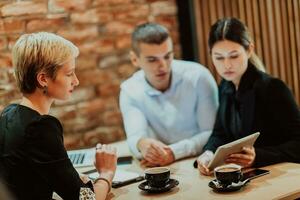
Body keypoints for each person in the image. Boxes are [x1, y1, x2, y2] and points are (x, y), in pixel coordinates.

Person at [0, 32, 117, 200]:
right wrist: (106, 174)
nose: (76, 81)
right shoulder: (40, 128)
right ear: (43, 79)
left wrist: (73, 179)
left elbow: (32, 178)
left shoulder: (9, 113)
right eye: (69, 73)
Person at [197, 17, 300, 175]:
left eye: (234, 56)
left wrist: (258, 155)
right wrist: (208, 153)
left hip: (280, 175)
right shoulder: (225, 86)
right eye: (219, 57)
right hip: (245, 176)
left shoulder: (273, 88)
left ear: (249, 50)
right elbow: (220, 133)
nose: (227, 65)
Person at [119, 23, 219, 167]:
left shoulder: (199, 77)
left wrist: (174, 152)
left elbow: (212, 133)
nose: (163, 66)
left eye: (167, 56)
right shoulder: (130, 90)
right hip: (162, 166)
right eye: (152, 60)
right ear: (135, 59)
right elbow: (135, 137)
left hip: (202, 160)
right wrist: (142, 144)